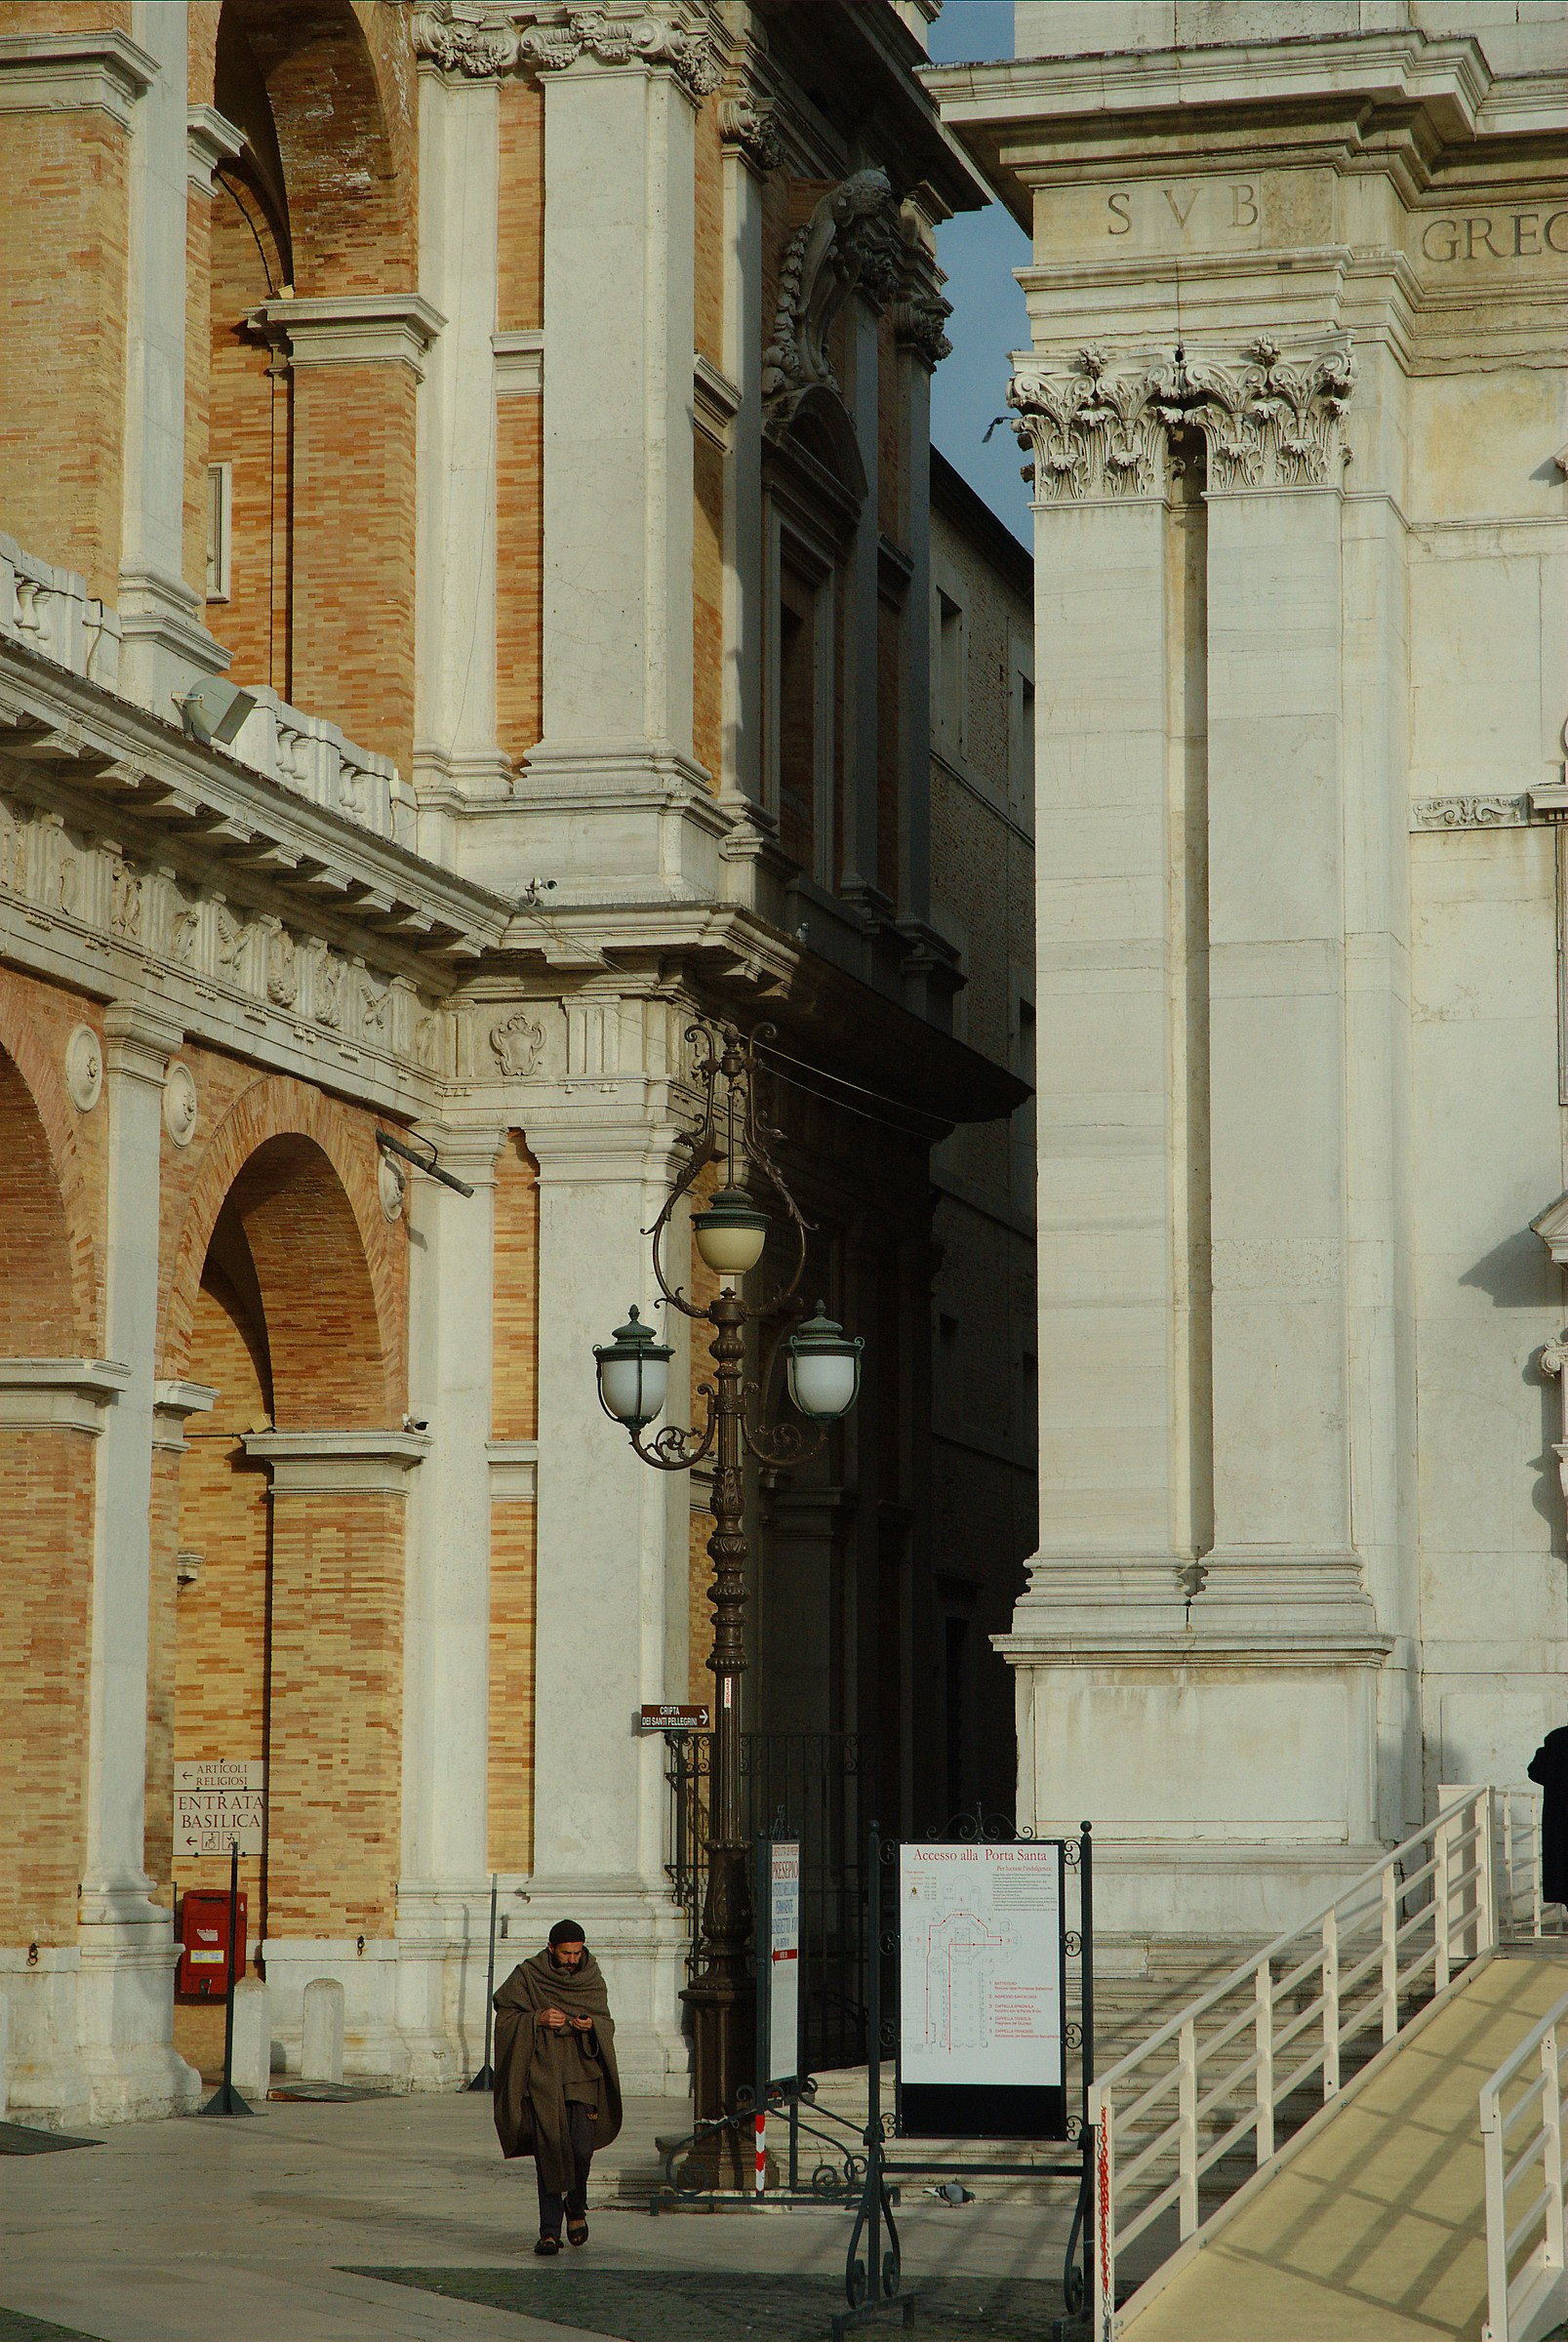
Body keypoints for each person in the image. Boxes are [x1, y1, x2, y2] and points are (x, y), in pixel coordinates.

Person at [493, 1918, 623, 2255]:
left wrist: (591, 2024)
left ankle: (575, 2210)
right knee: (549, 2149)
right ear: (551, 1949)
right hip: (543, 2076)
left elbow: (606, 2020)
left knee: (580, 2148)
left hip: (582, 2073)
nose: (572, 1960)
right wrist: (536, 2019)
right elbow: (505, 2015)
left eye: (577, 1953)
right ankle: (549, 2231)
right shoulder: (527, 1975)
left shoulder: (591, 1976)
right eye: (565, 1954)